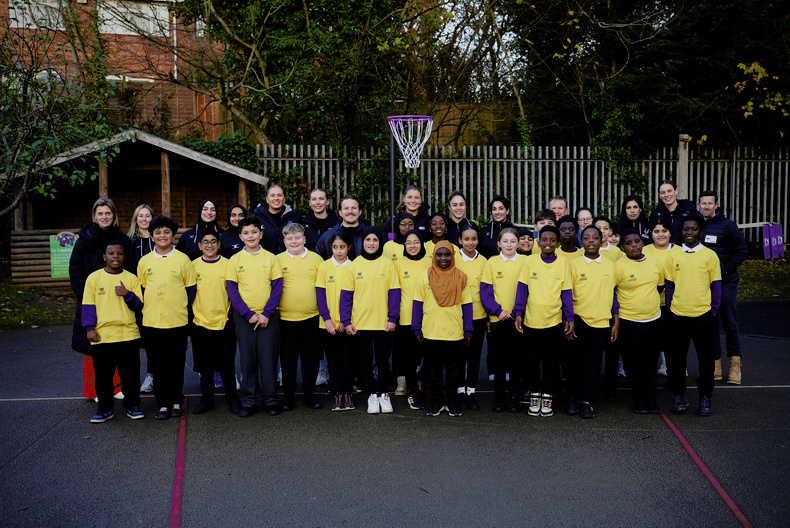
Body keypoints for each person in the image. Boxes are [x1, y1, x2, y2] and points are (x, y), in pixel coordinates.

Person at [70, 198, 133, 401]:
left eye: (108, 213)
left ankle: (116, 387)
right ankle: (95, 390)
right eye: (100, 214)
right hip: (93, 301)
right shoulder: (83, 242)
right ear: (94, 216)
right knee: (94, 345)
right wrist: (85, 296)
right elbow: (75, 272)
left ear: (114, 215)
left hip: (118, 299)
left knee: (118, 344)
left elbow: (131, 269)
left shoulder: (124, 240)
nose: (104, 217)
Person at [137, 215, 196, 420]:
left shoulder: (182, 259)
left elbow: (191, 289)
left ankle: (176, 400)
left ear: (173, 235)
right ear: (152, 236)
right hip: (152, 322)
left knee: (176, 363)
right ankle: (162, 403)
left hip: (178, 321)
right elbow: (143, 289)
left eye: (166, 232)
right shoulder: (144, 262)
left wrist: (186, 313)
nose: (162, 236)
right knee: (157, 363)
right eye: (158, 232)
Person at [513, 226, 574, 418]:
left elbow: (566, 293)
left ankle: (547, 395)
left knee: (551, 361)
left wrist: (569, 317)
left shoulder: (563, 263)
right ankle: (535, 394)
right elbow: (522, 288)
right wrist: (518, 313)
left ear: (557, 243)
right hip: (531, 322)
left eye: (551, 240)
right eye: (544, 240)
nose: (547, 243)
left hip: (553, 323)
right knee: (531, 362)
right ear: (538, 242)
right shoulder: (530, 261)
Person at [664, 213, 721, 416]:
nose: (689, 232)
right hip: (677, 316)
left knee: (705, 360)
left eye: (693, 229)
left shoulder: (709, 256)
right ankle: (678, 395)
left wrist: (713, 310)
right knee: (676, 360)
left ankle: (705, 397)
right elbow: (669, 285)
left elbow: (716, 286)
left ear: (701, 232)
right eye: (686, 229)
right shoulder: (674, 255)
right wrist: (671, 307)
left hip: (703, 316)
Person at [225, 217, 284, 417]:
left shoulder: (271, 258)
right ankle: (249, 400)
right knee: (247, 361)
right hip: (244, 318)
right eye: (246, 233)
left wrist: (266, 313)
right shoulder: (235, 260)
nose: (251, 236)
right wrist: (248, 314)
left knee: (268, 360)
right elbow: (232, 291)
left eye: (254, 232)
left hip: (269, 317)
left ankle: (271, 399)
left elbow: (277, 288)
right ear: (241, 237)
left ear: (261, 234)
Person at [340, 226, 400, 414]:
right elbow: (346, 296)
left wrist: (392, 317)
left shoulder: (387, 264)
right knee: (364, 361)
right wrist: (346, 321)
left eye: (375, 240)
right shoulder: (355, 265)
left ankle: (384, 394)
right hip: (360, 324)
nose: (371, 243)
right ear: (362, 242)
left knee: (382, 361)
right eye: (368, 240)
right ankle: (372, 395)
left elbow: (395, 293)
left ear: (379, 242)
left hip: (383, 323)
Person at [82, 241, 144, 423]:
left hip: (128, 334)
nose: (115, 256)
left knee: (130, 375)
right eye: (111, 253)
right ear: (104, 257)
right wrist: (89, 328)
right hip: (103, 336)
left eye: (120, 253)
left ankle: (132, 406)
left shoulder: (132, 279)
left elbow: (139, 305)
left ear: (124, 256)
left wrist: (127, 294)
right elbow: (88, 306)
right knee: (103, 376)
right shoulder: (94, 278)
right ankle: (105, 409)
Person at [412, 241, 473, 416]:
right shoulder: (425, 276)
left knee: (454, 373)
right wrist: (417, 329)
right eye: (439, 254)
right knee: (434, 372)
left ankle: (452, 403)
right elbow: (417, 303)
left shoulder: (461, 277)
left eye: (447, 255)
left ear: (453, 256)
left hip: (455, 332)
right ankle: (436, 402)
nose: (443, 258)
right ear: (434, 256)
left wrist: (468, 331)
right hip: (431, 332)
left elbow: (467, 305)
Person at [565, 225, 618, 419]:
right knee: (574, 364)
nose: (591, 241)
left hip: (602, 323)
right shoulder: (574, 265)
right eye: (586, 238)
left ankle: (585, 401)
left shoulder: (611, 264)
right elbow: (567, 295)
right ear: (581, 241)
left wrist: (616, 320)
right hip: (579, 320)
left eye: (595, 237)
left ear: (601, 240)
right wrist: (568, 319)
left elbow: (615, 294)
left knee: (593, 365)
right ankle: (571, 399)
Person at [698, 190, 748, 384]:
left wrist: (725, 270)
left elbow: (742, 251)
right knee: (711, 324)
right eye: (704, 203)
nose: (707, 207)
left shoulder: (728, 226)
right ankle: (715, 364)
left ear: (716, 205)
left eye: (710, 203)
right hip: (704, 285)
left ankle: (735, 364)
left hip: (726, 282)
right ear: (699, 205)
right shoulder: (696, 226)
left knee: (730, 323)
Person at [190, 232, 241, 415]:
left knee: (227, 367)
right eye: (206, 242)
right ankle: (207, 400)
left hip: (224, 323)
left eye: (213, 242)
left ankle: (232, 399)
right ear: (200, 245)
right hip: (201, 323)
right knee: (205, 368)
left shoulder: (228, 264)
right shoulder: (193, 266)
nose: (209, 245)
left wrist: (230, 317)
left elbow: (235, 293)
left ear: (219, 245)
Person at [615, 229, 664, 415]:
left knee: (651, 362)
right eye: (629, 243)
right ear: (622, 247)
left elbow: (659, 286)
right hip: (629, 322)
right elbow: (613, 291)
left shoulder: (655, 262)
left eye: (637, 241)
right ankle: (639, 399)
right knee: (634, 363)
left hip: (653, 320)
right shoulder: (619, 266)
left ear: (642, 243)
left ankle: (651, 398)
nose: (634, 245)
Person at [276, 223, 325, 411]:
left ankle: (309, 395)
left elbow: (322, 289)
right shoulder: (277, 260)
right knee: (288, 361)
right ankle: (288, 396)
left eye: (297, 237)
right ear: (284, 241)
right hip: (286, 319)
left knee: (310, 360)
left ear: (304, 239)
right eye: (290, 238)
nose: (294, 241)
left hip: (311, 318)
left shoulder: (317, 260)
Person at [480, 227, 526, 412]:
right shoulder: (492, 263)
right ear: (498, 243)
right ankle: (499, 399)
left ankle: (514, 398)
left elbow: (526, 289)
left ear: (518, 243)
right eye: (505, 241)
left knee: (516, 360)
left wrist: (517, 312)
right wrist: (497, 311)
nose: (509, 245)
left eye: (512, 241)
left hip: (518, 319)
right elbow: (485, 292)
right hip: (499, 319)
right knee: (499, 361)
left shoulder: (526, 261)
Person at [316, 232, 356, 411]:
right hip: (328, 324)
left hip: (347, 324)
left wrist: (345, 321)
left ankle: (348, 392)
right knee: (332, 360)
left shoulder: (354, 267)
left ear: (349, 247)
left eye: (342, 247)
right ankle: (337, 393)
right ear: (330, 248)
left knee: (347, 360)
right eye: (335, 247)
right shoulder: (324, 267)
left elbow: (356, 297)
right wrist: (328, 320)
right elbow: (320, 295)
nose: (339, 251)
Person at [394, 231, 432, 406]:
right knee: (408, 359)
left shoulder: (431, 262)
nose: (412, 246)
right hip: (406, 319)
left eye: (416, 242)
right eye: (408, 243)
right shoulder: (397, 264)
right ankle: (414, 392)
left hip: (429, 317)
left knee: (430, 356)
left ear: (421, 243)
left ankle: (421, 381)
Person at [455, 225, 488, 410]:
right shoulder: (453, 259)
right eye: (466, 239)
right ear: (460, 240)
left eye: (474, 239)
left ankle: (471, 391)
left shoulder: (484, 261)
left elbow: (487, 290)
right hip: (457, 316)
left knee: (475, 356)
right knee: (459, 355)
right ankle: (459, 390)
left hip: (478, 315)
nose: (470, 242)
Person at [127, 204, 156, 394]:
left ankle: (152, 375)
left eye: (147, 216)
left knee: (153, 340)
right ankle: (128, 380)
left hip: (156, 298)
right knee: (134, 340)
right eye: (140, 216)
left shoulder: (159, 240)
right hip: (135, 297)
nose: (144, 219)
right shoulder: (129, 242)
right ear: (136, 219)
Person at [251, 184, 302, 255]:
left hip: (287, 261)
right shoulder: (255, 218)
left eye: (279, 195)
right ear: (267, 199)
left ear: (284, 199)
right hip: (264, 262)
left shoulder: (294, 218)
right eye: (272, 195)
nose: (276, 198)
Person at [315, 194, 369, 259]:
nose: (350, 211)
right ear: (340, 213)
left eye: (353, 208)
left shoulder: (369, 235)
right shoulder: (327, 237)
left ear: (360, 212)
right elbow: (318, 262)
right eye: (346, 208)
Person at [648, 179, 697, 245]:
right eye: (663, 193)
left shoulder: (690, 211)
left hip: (685, 252)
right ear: (659, 196)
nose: (666, 195)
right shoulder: (655, 214)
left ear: (676, 191)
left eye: (669, 191)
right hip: (663, 252)